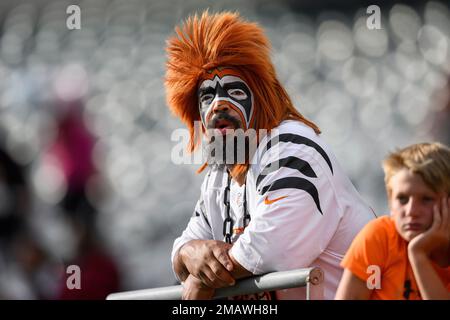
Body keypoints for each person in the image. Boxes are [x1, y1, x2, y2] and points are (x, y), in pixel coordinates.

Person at [165, 11, 375, 300]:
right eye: (206, 97)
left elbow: (266, 252)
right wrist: (189, 252)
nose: (217, 106)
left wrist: (200, 280)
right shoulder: (219, 174)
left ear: (263, 97)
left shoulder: (292, 147)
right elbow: (186, 248)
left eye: (234, 92)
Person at [335, 142, 450, 300]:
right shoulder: (379, 236)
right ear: (390, 202)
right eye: (402, 199)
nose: (411, 211)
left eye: (426, 199)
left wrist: (418, 255)